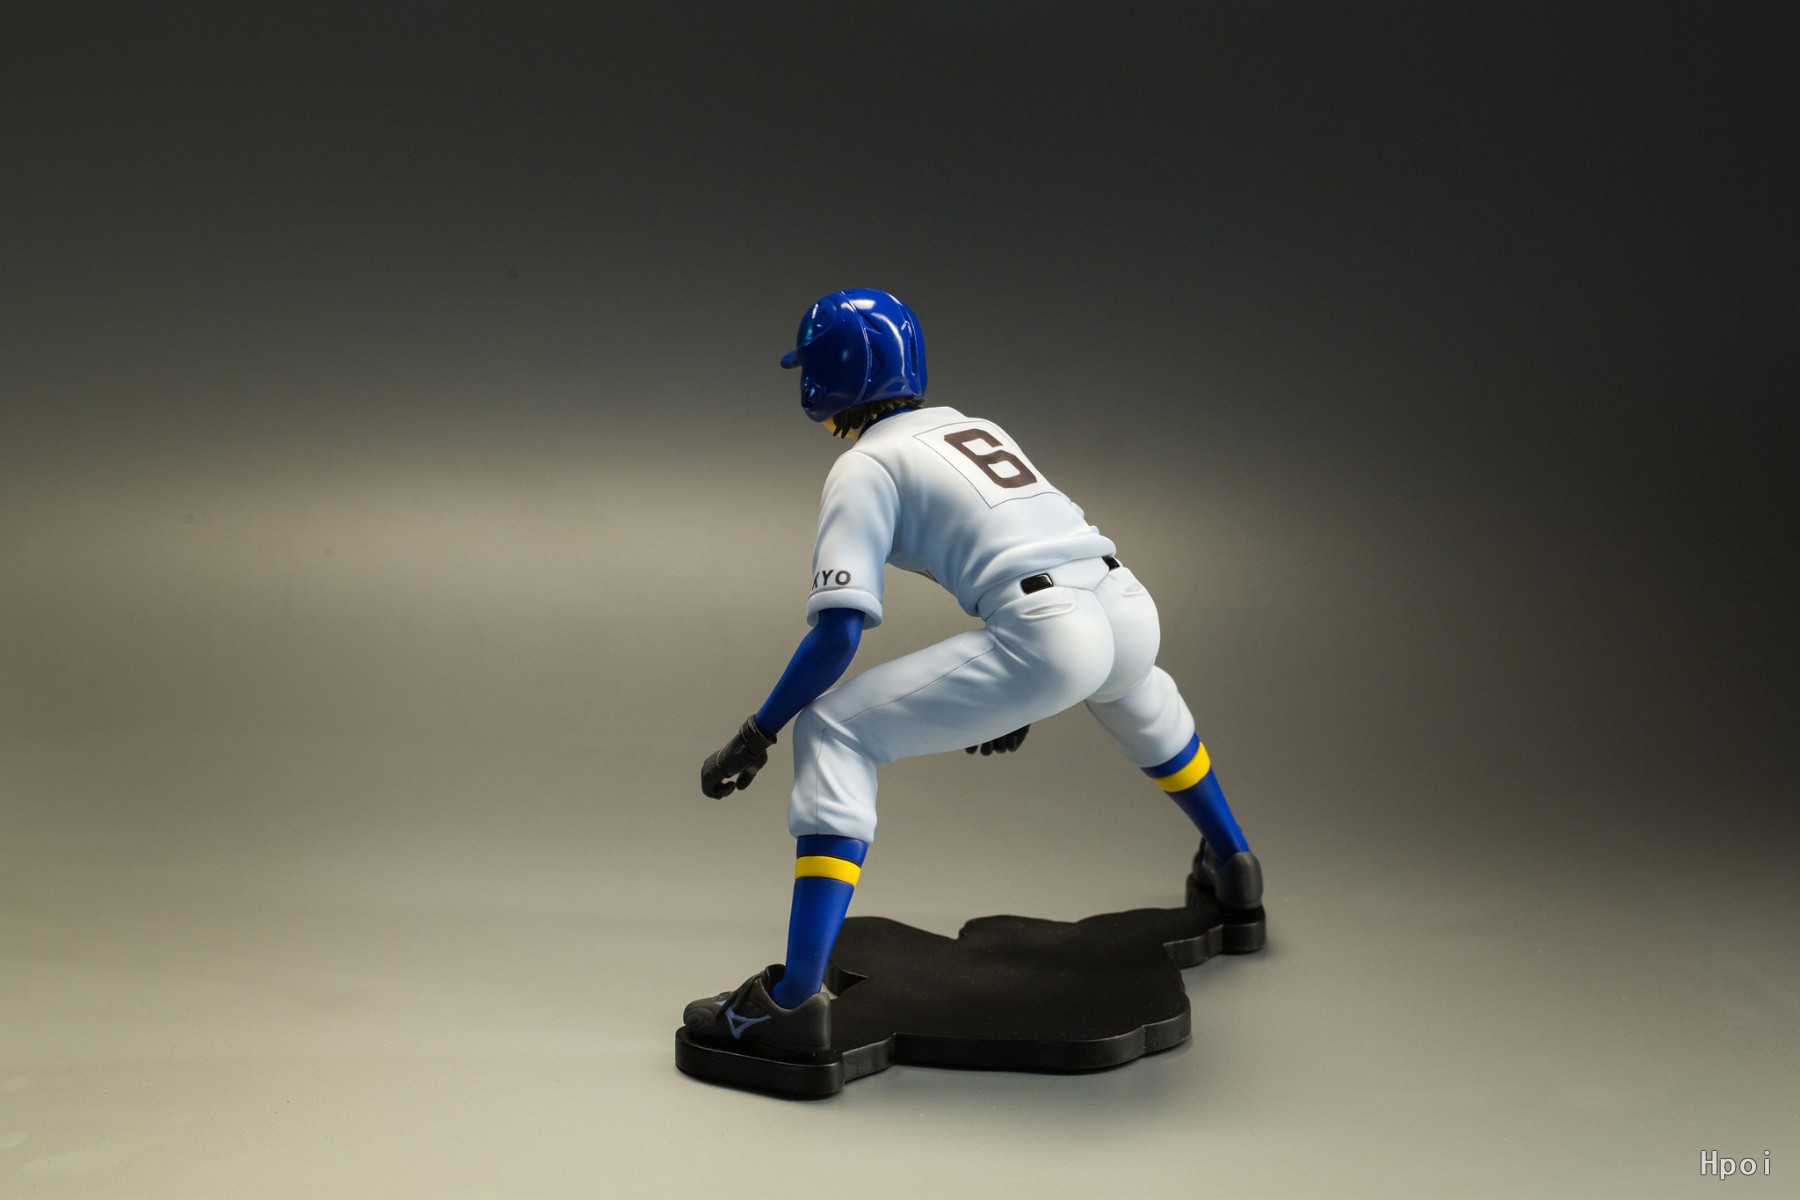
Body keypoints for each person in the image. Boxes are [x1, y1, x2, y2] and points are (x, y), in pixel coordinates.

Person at [684, 288, 1262, 1060]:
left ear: (824, 381)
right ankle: (1234, 865)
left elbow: (838, 633)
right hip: (1124, 600)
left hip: (1047, 629)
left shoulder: (864, 465)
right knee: (1140, 697)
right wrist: (1020, 692)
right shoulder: (973, 427)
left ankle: (790, 1004)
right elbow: (1030, 545)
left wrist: (758, 732)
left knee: (831, 732)